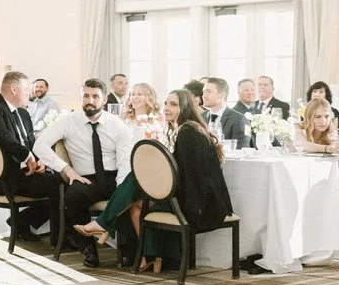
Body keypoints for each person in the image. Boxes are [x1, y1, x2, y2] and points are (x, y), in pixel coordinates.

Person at [75, 85, 183, 263]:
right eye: (133, 94)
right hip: (126, 165)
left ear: (149, 97)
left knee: (130, 187)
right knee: (129, 191)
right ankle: (136, 253)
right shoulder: (122, 119)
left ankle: (105, 226)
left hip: (153, 172)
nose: (135, 97)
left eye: (140, 94)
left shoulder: (159, 120)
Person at [140, 89, 232, 273]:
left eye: (173, 104)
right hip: (192, 195)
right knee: (138, 193)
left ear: (186, 108)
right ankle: (158, 258)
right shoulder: (184, 129)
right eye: (166, 103)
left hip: (202, 203)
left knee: (138, 199)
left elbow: (192, 177)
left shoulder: (188, 132)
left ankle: (151, 257)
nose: (167, 108)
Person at [46, 79, 134, 267]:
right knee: (73, 196)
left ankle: (129, 249)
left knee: (129, 192)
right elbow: (40, 145)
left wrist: (120, 190)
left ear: (104, 99)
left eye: (95, 96)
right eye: (86, 96)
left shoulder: (117, 125)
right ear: (81, 97)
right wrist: (66, 169)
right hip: (86, 178)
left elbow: (124, 161)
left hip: (113, 176)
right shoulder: (68, 122)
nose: (90, 101)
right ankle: (88, 248)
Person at [0, 71, 69, 243]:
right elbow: (2, 135)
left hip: (24, 173)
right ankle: (59, 238)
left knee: (64, 180)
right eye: (26, 89)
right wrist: (27, 156)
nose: (30, 93)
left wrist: (40, 160)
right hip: (3, 176)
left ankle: (23, 220)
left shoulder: (23, 113)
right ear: (14, 89)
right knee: (59, 185)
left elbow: (32, 144)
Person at [296, 98, 339, 168]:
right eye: (318, 117)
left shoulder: (330, 131)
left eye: (327, 116)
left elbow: (337, 165)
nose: (323, 121)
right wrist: (327, 148)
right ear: (309, 117)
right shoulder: (298, 127)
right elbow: (302, 145)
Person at [200, 77, 249, 148]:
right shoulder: (201, 117)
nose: (204, 96)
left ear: (222, 95)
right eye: (203, 92)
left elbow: (241, 149)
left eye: (208, 92)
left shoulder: (238, 119)